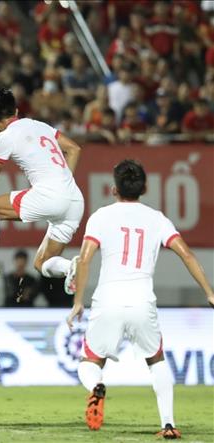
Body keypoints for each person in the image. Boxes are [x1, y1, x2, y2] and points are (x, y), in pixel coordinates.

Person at [66, 159, 214, 439]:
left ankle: (96, 387)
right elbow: (187, 254)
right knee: (156, 360)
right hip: (142, 299)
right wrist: (209, 291)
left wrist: (77, 301)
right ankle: (168, 425)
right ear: (145, 187)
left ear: (113, 189)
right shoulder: (157, 219)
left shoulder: (100, 216)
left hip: (108, 298)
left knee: (90, 361)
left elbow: (85, 259)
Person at [0, 87, 83, 299]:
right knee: (41, 264)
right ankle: (71, 266)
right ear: (15, 110)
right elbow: (74, 149)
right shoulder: (39, 125)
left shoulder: (5, 137)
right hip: (74, 199)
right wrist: (62, 183)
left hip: (49, 196)